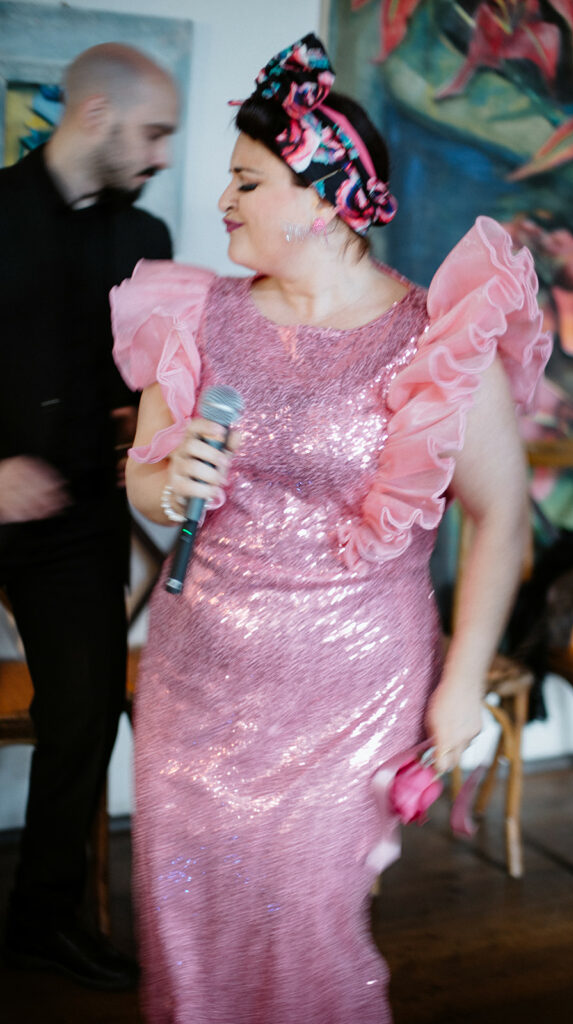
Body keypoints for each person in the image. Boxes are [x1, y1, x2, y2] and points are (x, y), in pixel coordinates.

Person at [111, 33, 551, 1023]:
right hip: (195, 678)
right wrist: (168, 481)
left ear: (322, 199)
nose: (222, 200)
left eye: (246, 181)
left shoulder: (433, 341)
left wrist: (463, 681)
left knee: (305, 923)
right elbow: (142, 479)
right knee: (187, 919)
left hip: (351, 689)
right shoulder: (193, 314)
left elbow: (500, 516)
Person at [0, 43, 178, 990]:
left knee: (84, 711)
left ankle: (41, 918)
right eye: (153, 133)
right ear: (98, 113)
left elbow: (150, 383)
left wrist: (140, 430)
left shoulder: (146, 237)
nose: (160, 155)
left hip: (74, 520)